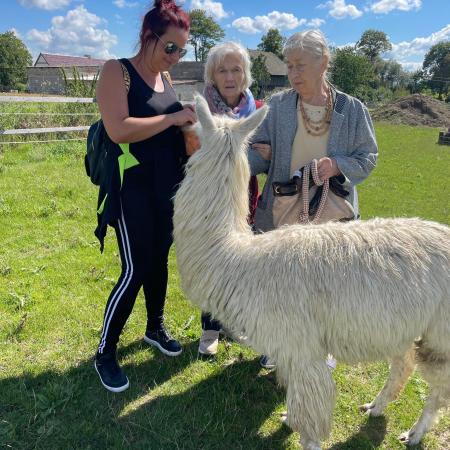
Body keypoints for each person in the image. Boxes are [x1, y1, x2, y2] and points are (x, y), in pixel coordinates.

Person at [248, 29, 378, 369]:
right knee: (280, 284)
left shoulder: (352, 109)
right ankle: (278, 346)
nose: (293, 74)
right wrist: (235, 155)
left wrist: (336, 165)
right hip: (283, 212)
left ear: (323, 63)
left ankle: (322, 348)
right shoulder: (276, 106)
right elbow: (257, 156)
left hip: (332, 216)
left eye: (300, 65)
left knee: (327, 287)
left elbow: (368, 158)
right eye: (289, 66)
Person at [93, 0, 197, 393]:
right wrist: (171, 118)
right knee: (135, 269)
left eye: (182, 50)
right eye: (170, 47)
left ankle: (154, 327)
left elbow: (171, 132)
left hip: (168, 189)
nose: (175, 56)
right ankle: (105, 351)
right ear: (147, 37)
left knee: (158, 263)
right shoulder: (116, 71)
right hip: (132, 188)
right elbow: (119, 128)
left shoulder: (165, 81)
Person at [198, 42, 267, 356]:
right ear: (212, 74)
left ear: (245, 74)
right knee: (213, 259)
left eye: (235, 69)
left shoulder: (258, 109)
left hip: (245, 194)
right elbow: (193, 154)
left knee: (240, 259)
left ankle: (233, 321)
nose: (229, 76)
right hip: (210, 200)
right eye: (222, 70)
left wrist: (255, 153)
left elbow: (265, 154)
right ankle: (210, 328)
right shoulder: (200, 111)